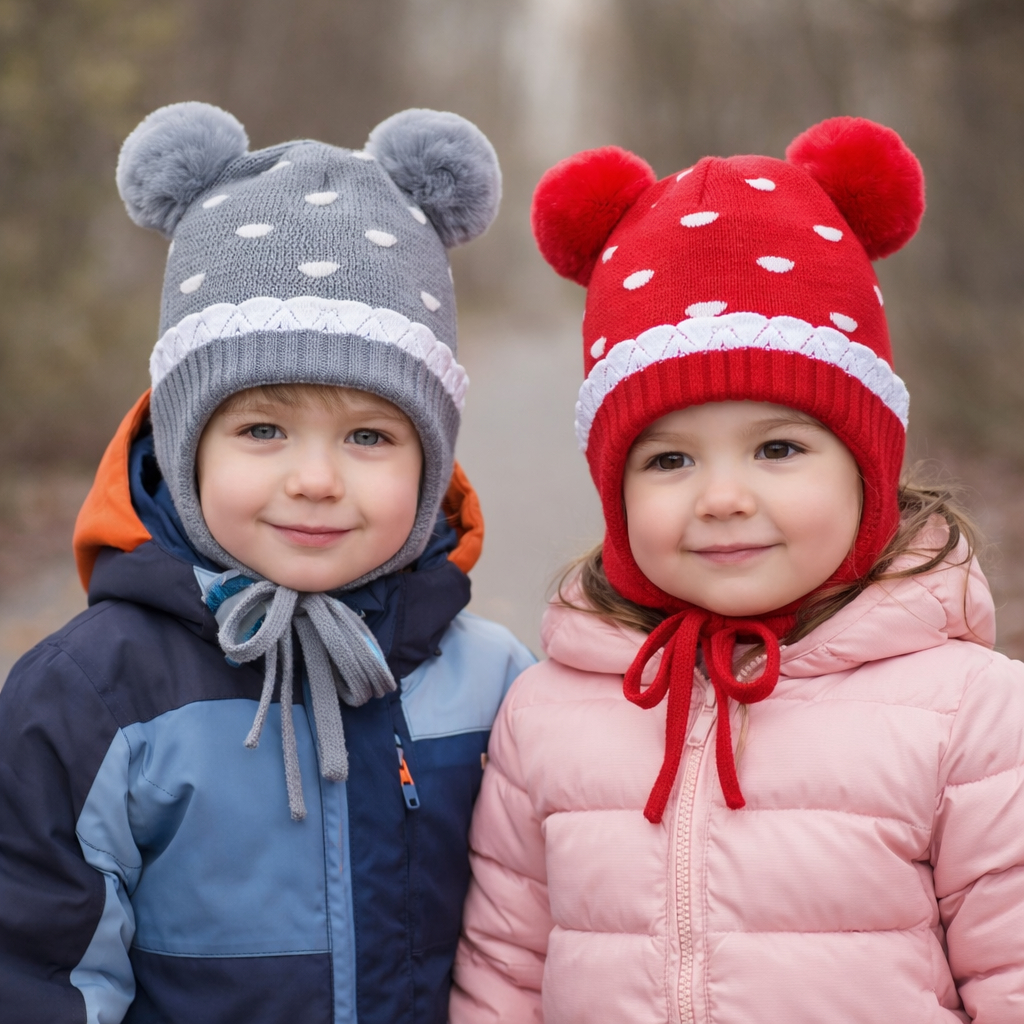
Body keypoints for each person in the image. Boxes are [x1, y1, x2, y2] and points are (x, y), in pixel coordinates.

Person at [450, 117, 1024, 1022]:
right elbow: (504, 973)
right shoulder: (548, 712)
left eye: (779, 448)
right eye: (669, 461)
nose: (720, 496)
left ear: (868, 468)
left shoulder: (971, 716)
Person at [0, 102, 534, 1024]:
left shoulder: (493, 682)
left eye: (370, 435)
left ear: (433, 463)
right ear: (184, 447)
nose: (316, 479)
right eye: (261, 430)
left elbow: (535, 939)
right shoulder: (92, 700)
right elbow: (41, 973)